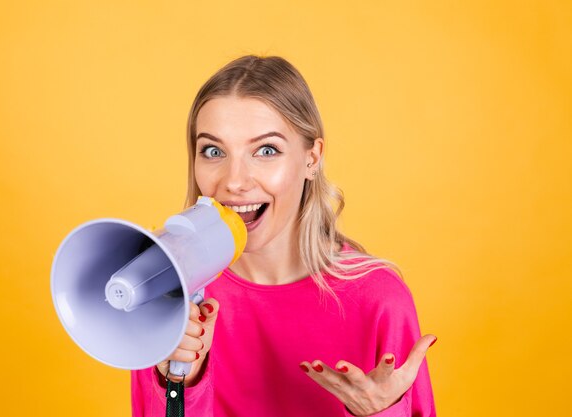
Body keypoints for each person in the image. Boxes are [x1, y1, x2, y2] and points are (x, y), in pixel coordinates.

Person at [131, 55, 437, 417]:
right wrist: (177, 385)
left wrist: (382, 412)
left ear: (312, 158)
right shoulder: (169, 293)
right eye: (213, 151)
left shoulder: (378, 298)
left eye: (266, 150)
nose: (234, 181)